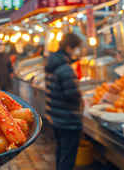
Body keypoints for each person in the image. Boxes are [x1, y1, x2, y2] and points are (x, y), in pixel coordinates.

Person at [45, 33, 83, 170]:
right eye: (75, 48)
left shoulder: (52, 63)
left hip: (56, 117)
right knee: (68, 157)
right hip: (68, 119)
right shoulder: (66, 69)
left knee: (61, 151)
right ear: (68, 48)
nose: (76, 51)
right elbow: (72, 94)